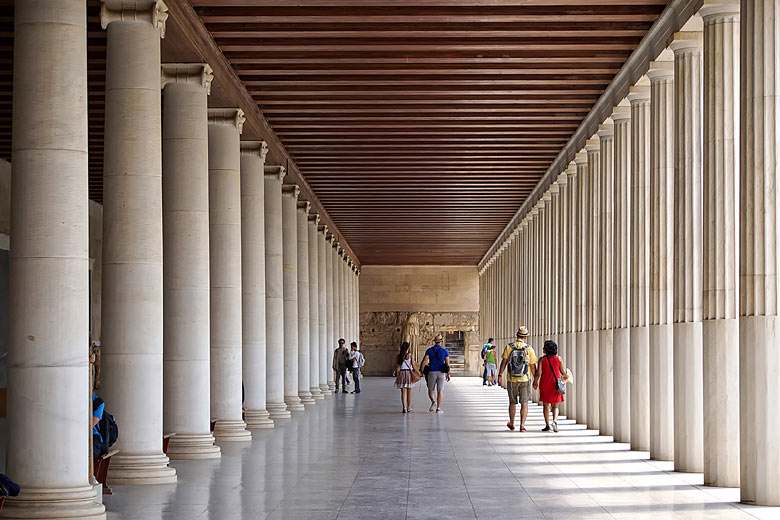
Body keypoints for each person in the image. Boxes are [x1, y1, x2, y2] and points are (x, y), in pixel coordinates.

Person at [498, 326, 537, 431]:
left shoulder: (509, 347)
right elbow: (533, 366)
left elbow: (504, 362)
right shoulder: (529, 348)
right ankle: (522, 425)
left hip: (512, 379)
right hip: (525, 379)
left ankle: (512, 423)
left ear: (517, 335)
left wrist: (500, 375)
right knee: (524, 403)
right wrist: (536, 380)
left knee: (512, 402)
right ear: (525, 337)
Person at [533, 339, 566, 432]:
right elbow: (562, 372)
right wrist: (566, 375)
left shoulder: (542, 360)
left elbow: (538, 373)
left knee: (546, 406)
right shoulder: (559, 359)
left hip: (545, 384)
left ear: (546, 350)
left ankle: (547, 425)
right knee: (555, 406)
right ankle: (555, 421)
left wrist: (535, 382)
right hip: (555, 385)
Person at [419, 333, 450, 413]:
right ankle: (438, 408)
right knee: (440, 391)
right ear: (441, 342)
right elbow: (447, 364)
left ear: (434, 342)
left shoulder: (429, 350)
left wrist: (421, 370)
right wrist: (448, 374)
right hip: (441, 373)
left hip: (431, 372)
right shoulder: (444, 351)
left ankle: (433, 401)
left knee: (430, 389)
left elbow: (424, 361)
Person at [394, 341, 420, 413]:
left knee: (403, 392)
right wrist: (419, 373)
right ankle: (409, 407)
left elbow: (397, 366)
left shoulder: (399, 356)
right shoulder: (410, 355)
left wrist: (396, 372)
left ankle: (404, 408)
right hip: (409, 374)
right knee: (409, 392)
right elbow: (414, 366)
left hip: (402, 374)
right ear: (408, 348)